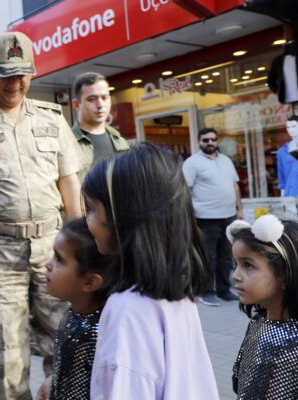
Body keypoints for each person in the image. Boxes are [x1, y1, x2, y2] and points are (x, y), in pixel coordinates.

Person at [0, 31, 85, 399]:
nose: (14, 84)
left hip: (52, 249)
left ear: (32, 73)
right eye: (5, 74)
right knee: (6, 358)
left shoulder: (52, 118)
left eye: (22, 75)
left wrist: (81, 247)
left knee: (67, 343)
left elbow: (69, 183)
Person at [83, 143, 219, 399]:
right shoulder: (175, 295)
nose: (86, 221)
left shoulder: (127, 310)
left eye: (91, 208)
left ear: (123, 216)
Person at [227, 215, 298, 398]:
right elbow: (240, 381)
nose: (235, 275)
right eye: (236, 264)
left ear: (286, 274)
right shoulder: (257, 324)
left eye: (248, 265)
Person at [35, 218, 110, 400]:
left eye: (59, 259)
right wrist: (53, 381)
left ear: (90, 282)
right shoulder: (73, 314)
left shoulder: (96, 334)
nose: (48, 265)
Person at [182, 127, 243, 306]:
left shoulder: (226, 160)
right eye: (206, 140)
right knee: (208, 257)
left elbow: (235, 186)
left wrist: (239, 210)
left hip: (229, 216)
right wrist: (188, 215)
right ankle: (206, 292)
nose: (210, 143)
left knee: (226, 255)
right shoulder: (192, 163)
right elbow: (185, 190)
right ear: (199, 142)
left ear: (217, 141)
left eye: (213, 139)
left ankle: (224, 290)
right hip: (205, 217)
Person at [70, 72, 129, 179]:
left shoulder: (120, 142)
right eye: (92, 99)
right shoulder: (67, 143)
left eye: (104, 98)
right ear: (77, 104)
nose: (100, 105)